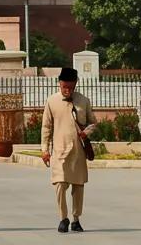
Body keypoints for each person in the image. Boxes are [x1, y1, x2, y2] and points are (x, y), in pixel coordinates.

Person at [41, 66, 97, 233]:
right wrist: (45, 150)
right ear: (59, 84)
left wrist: (86, 133)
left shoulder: (83, 101)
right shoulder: (51, 101)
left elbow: (93, 122)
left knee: (78, 187)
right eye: (65, 86)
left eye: (71, 87)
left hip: (78, 152)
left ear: (75, 85)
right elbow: (46, 127)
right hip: (59, 151)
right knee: (59, 184)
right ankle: (62, 218)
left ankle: (76, 219)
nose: (67, 90)